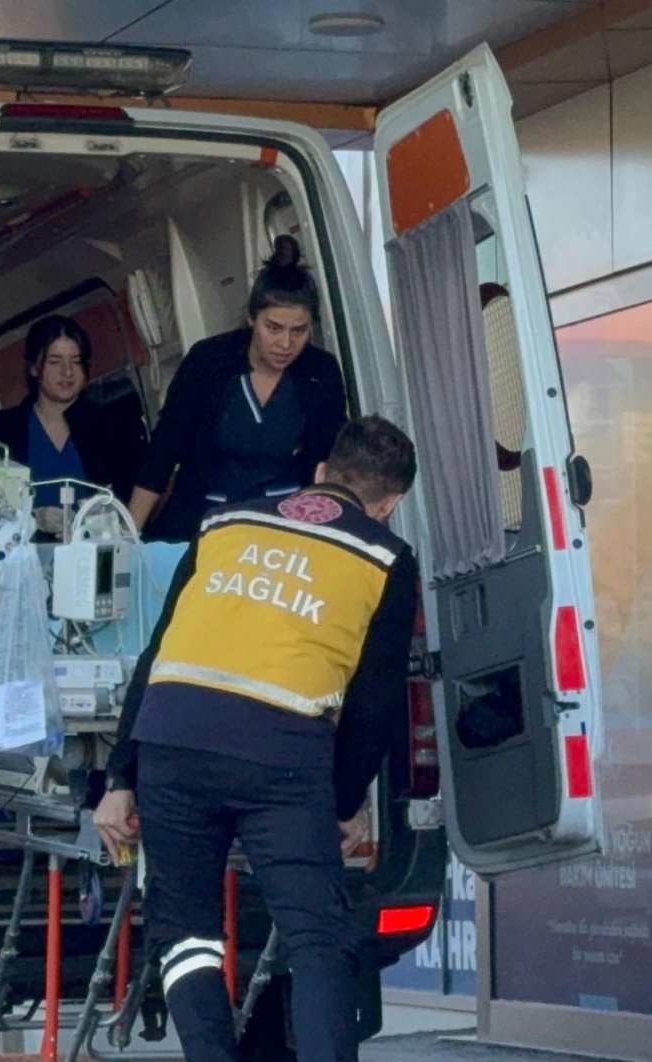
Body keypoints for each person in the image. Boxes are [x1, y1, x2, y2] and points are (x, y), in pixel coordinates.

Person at [96, 416, 419, 1062]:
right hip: (280, 757)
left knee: (186, 935)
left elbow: (159, 651)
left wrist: (118, 778)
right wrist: (343, 801)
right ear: (391, 505)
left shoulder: (226, 524)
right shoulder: (385, 557)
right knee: (315, 940)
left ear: (323, 472)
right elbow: (376, 703)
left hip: (172, 741)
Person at [127, 235, 348, 541]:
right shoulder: (209, 362)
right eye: (273, 328)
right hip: (205, 523)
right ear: (251, 319)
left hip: (286, 527)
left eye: (298, 331)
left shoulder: (319, 372)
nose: (285, 343)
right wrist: (127, 537)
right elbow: (164, 452)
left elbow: (332, 462)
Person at [0, 314, 146, 531]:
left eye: (76, 361)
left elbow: (135, 496)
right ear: (34, 367)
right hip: (19, 556)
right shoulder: (3, 428)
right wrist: (35, 519)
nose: (67, 372)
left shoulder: (112, 426)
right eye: (55, 362)